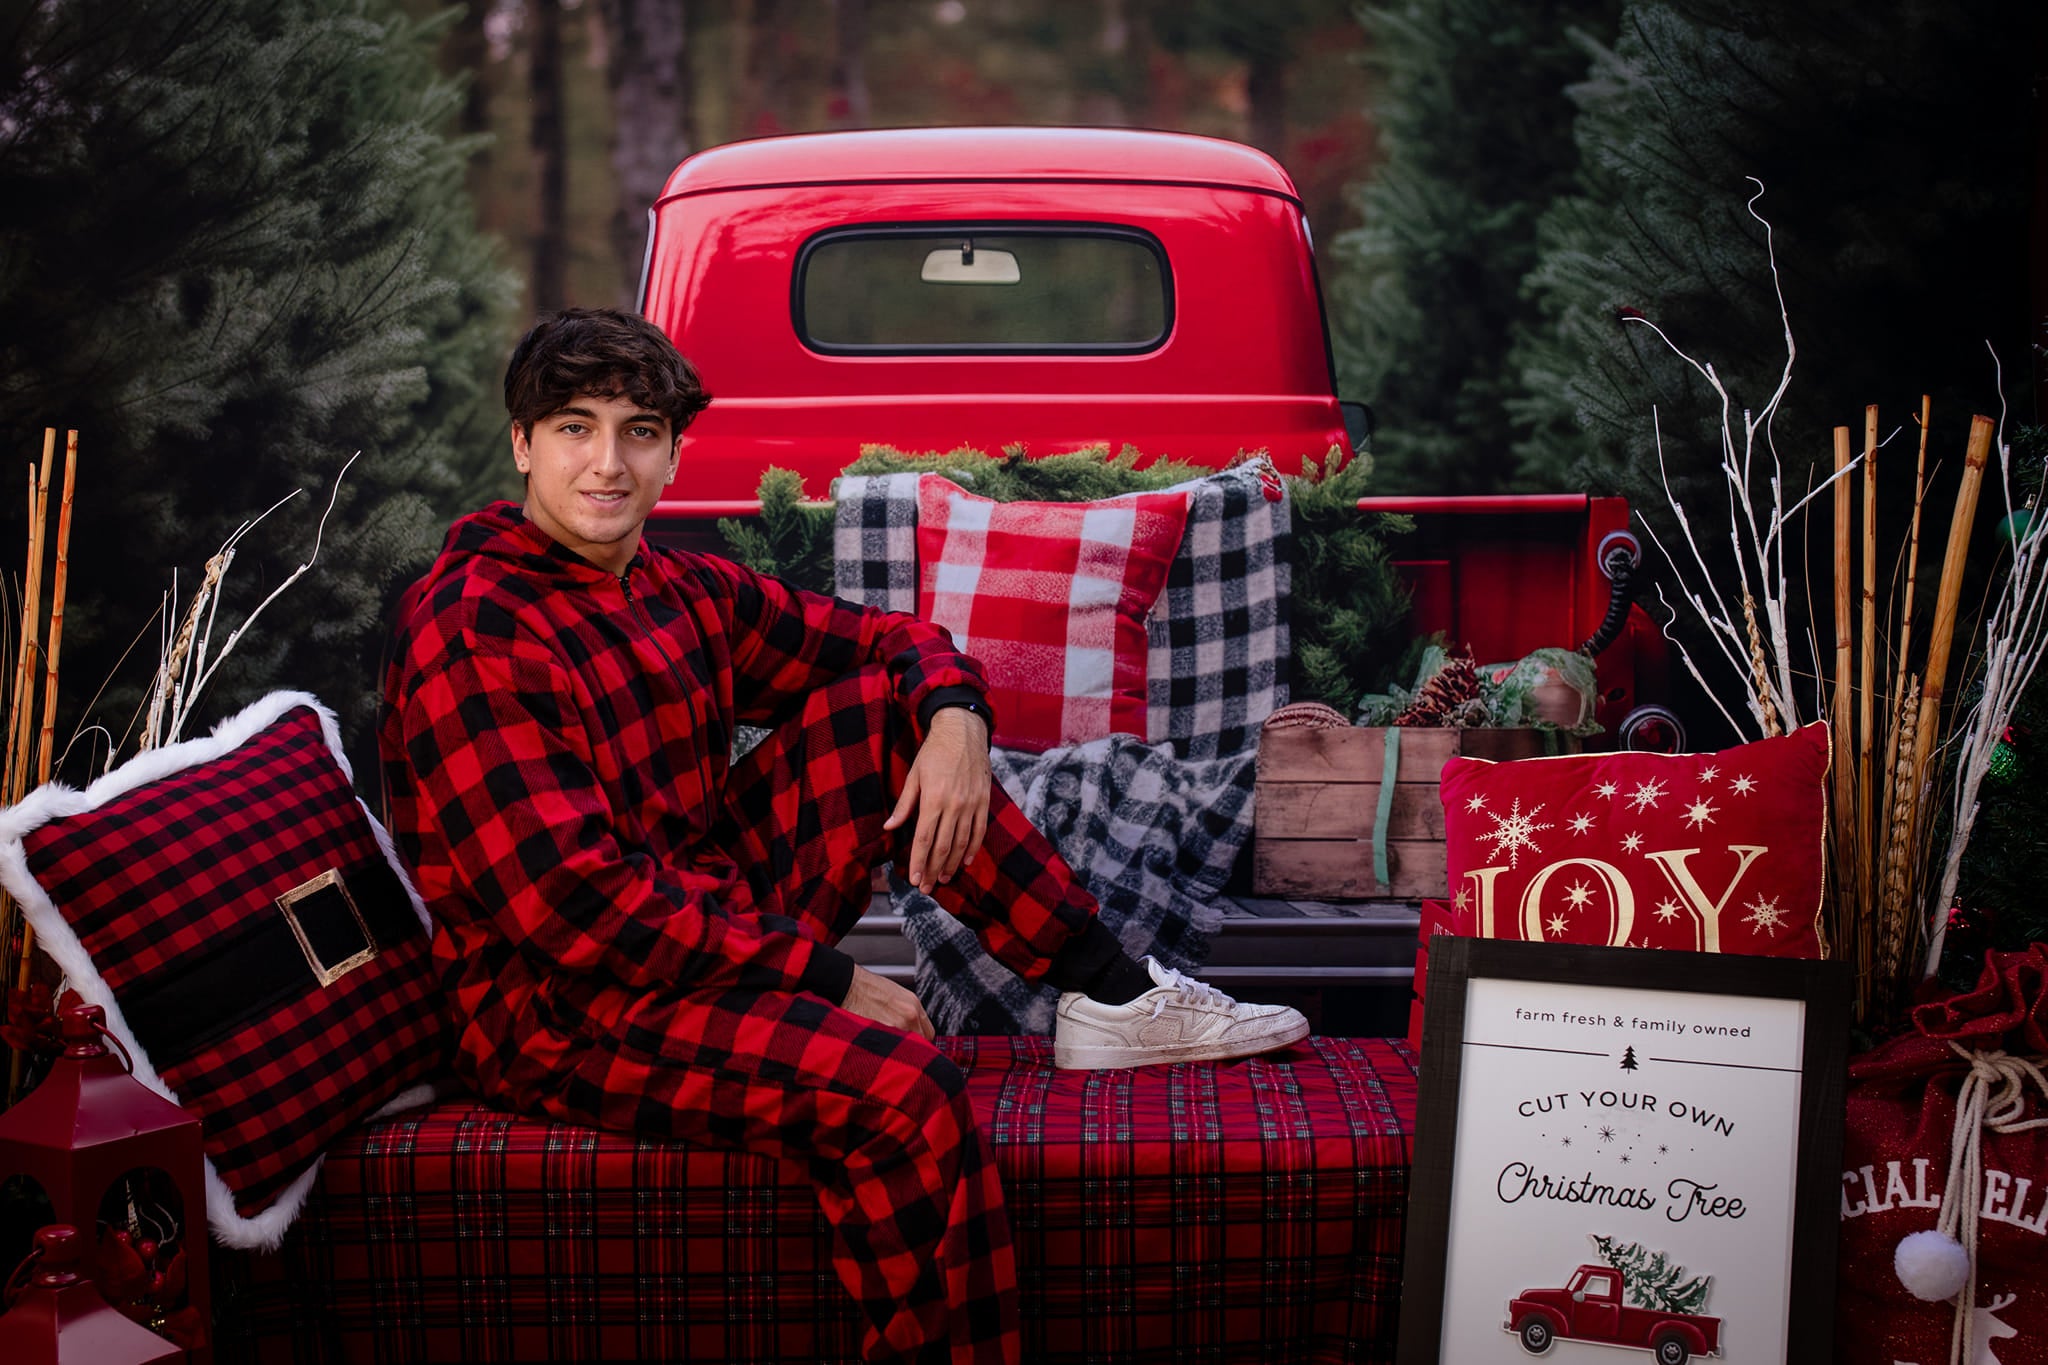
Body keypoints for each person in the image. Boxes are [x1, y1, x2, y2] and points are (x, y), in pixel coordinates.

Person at [380, 307, 1308, 1363]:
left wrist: (955, 715)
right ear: (522, 445)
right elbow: (574, 906)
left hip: (695, 931)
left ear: (673, 453)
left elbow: (887, 641)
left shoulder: (678, 591)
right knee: (909, 1092)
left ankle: (1113, 998)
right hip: (554, 1007)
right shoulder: (472, 624)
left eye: (638, 431)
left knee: (882, 714)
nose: (607, 463)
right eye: (573, 429)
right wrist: (823, 979)